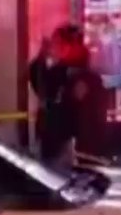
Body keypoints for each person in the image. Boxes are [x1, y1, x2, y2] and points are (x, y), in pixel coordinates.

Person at [28, 24, 107, 169]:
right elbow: (41, 87)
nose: (54, 48)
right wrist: (41, 59)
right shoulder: (58, 72)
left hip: (70, 142)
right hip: (54, 140)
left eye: (58, 43)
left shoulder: (85, 77)